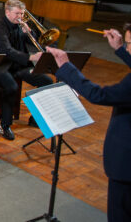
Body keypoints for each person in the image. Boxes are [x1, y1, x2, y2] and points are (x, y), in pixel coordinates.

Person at [46, 25, 131, 222]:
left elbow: (98, 94)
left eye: (128, 44)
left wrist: (66, 66)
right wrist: (119, 48)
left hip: (126, 165)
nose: (127, 48)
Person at [0, 0, 53, 140]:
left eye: (22, 13)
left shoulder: (19, 24)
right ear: (7, 12)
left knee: (47, 81)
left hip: (19, 65)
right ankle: (5, 125)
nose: (20, 16)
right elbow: (7, 51)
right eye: (17, 13)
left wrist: (30, 32)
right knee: (11, 87)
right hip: (2, 65)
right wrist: (30, 58)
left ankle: (35, 118)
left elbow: (32, 41)